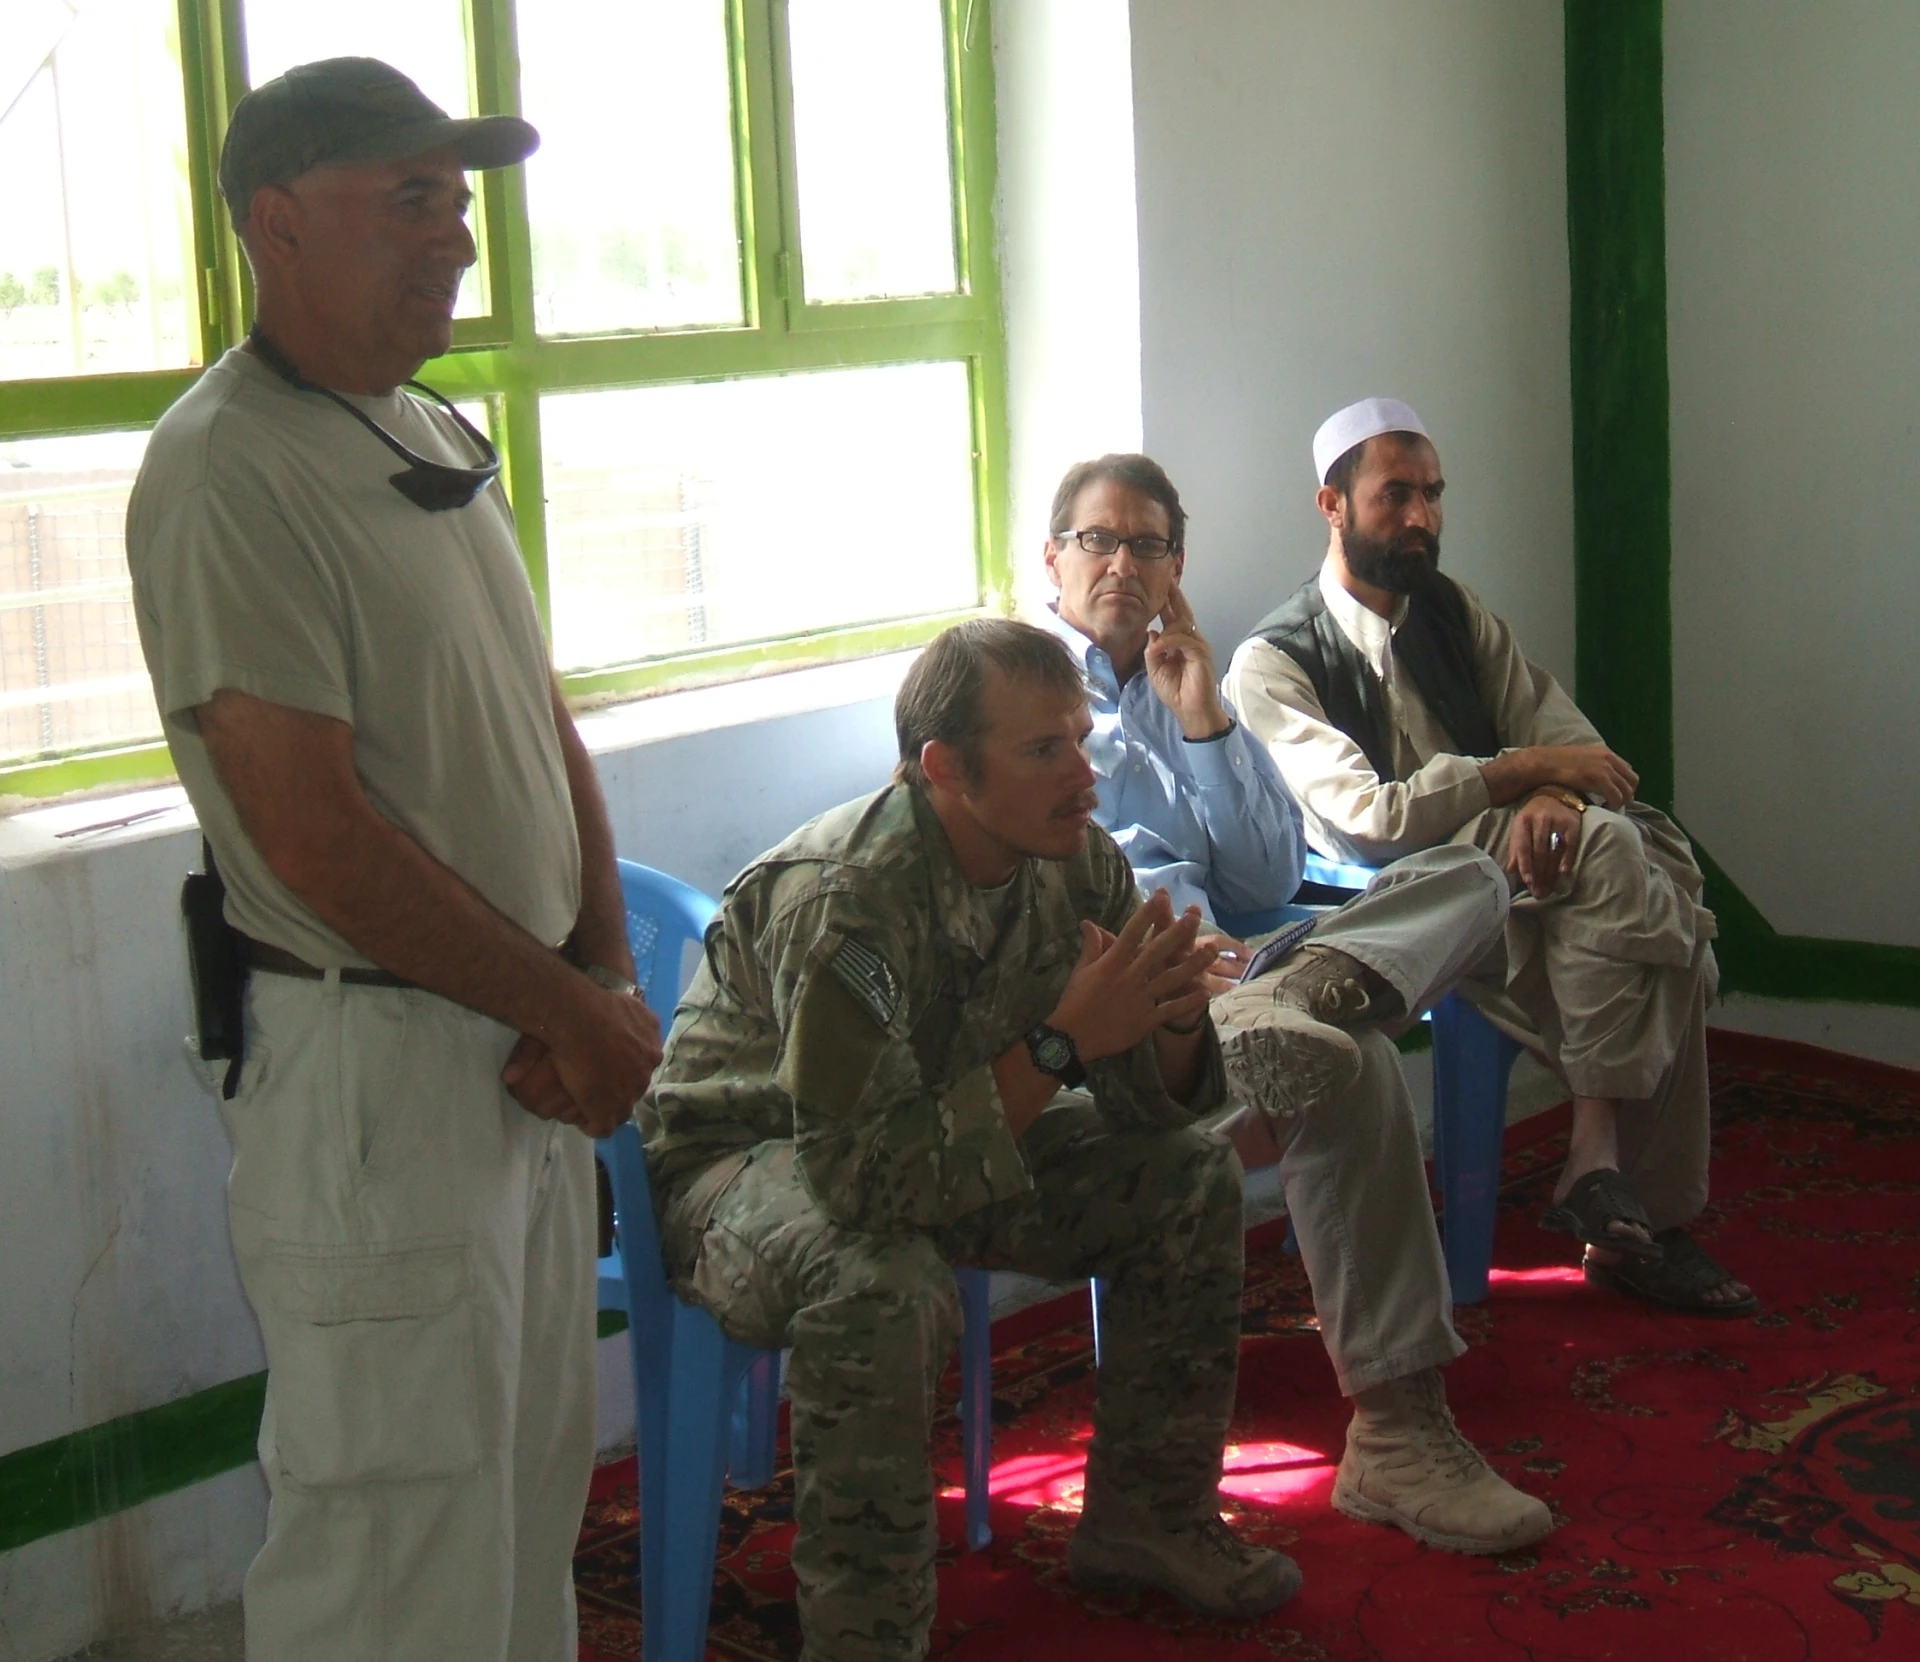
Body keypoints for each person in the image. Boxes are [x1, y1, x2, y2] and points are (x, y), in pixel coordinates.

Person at [124, 58, 664, 1661]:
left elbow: (533, 710)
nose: (457, 240)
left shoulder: (421, 422)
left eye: (462, 201)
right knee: (392, 1546)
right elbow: (316, 834)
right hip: (375, 1071)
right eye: (410, 200)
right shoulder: (229, 467)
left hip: (516, 1053)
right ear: (277, 224)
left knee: (516, 1506)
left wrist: (604, 970)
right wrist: (569, 1010)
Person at [636, 619, 1303, 1662]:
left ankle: (1149, 1520)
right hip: (739, 1160)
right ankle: (865, 1640)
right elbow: (857, 1181)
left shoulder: (1071, 854)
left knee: (1184, 1177)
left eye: (1080, 740)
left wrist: (1167, 1022)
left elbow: (1153, 1114)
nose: (1083, 775)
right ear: (943, 768)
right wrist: (1061, 1040)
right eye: (1045, 750)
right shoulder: (852, 903)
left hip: (938, 1128)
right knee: (880, 1281)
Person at [1037, 454, 1553, 1555]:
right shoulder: (1018, 691)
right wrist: (1176, 957)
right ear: (1051, 560)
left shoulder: (1188, 681)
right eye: (1097, 541)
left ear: (1177, 567)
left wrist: (1203, 718)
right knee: (1347, 1061)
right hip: (1137, 999)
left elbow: (1266, 878)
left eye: (1147, 546)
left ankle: (1299, 995)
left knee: (1468, 876)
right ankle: (1398, 1434)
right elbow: (1030, 892)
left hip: (1249, 960)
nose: (1122, 564)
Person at [1227, 398, 1756, 1318]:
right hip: (1403, 896)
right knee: (1664, 931)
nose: (1422, 517)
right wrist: (1518, 774)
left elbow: (1572, 743)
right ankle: (1634, 1207)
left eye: (1433, 495)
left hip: (1537, 875)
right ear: (1332, 504)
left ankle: (1603, 1173)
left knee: (1620, 851)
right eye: (1395, 495)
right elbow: (1364, 821)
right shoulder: (1273, 661)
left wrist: (1551, 791)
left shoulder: (1454, 613)